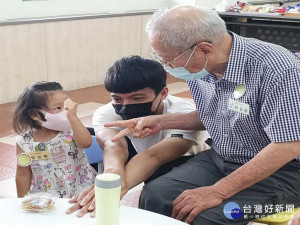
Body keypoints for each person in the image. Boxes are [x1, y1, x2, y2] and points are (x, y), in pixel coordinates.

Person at [105, 6, 300, 225]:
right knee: (155, 193)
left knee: (205, 216)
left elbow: (288, 145)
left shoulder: (276, 68)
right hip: (221, 158)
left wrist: (218, 191)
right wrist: (159, 121)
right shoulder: (198, 66)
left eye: (168, 60)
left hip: (281, 173)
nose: (167, 67)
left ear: (205, 49)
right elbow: (214, 114)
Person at [66, 55, 210, 217]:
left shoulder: (182, 113)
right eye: (117, 98)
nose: (126, 105)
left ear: (163, 93)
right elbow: (113, 146)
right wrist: (110, 179)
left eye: (137, 98)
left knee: (157, 191)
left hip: (184, 159)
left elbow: (154, 156)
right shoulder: (106, 112)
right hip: (142, 154)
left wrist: (112, 190)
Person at [13, 81, 97, 199]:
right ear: (35, 115)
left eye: (66, 107)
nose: (65, 112)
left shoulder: (71, 128)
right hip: (45, 197)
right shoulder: (24, 141)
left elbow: (86, 143)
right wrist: (22, 201)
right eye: (58, 108)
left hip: (81, 191)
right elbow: (23, 175)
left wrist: (73, 118)